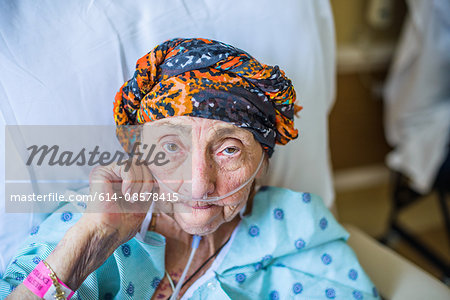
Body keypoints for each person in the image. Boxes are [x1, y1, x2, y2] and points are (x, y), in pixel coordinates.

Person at [1, 38, 379, 299]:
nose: (199, 185)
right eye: (170, 146)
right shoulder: (88, 222)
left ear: (263, 160)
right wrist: (89, 242)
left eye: (229, 149)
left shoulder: (295, 227)